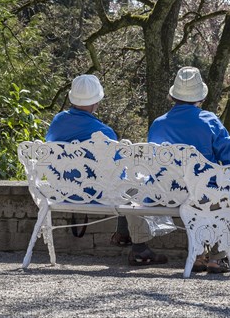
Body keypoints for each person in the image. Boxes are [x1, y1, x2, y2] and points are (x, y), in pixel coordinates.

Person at [46, 74, 168, 267]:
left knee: (125, 184)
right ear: (96, 102)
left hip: (62, 191)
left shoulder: (57, 122)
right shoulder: (104, 133)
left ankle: (122, 235)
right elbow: (117, 174)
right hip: (94, 193)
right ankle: (139, 248)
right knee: (134, 186)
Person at [148, 66, 230, 274]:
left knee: (202, 192)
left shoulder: (157, 125)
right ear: (200, 97)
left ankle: (199, 256)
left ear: (174, 96)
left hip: (165, 193)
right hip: (200, 194)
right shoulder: (208, 121)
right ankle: (216, 258)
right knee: (225, 194)